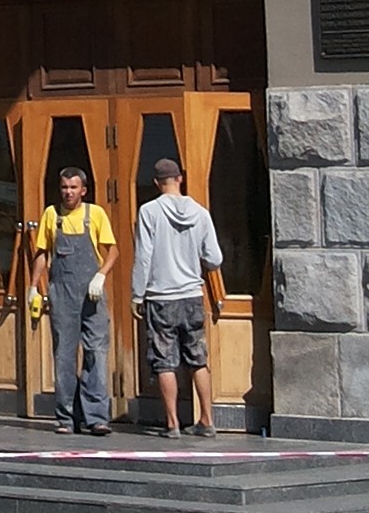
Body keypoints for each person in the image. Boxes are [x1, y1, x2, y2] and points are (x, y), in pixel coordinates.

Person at [132, 158, 224, 437]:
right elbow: (214, 258)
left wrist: (137, 294)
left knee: (164, 360)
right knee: (198, 358)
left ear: (157, 183)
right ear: (180, 178)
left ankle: (172, 423)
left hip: (161, 296)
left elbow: (143, 256)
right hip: (192, 295)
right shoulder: (200, 212)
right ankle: (206, 420)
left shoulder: (149, 211)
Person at [29, 166, 114, 434]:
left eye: (73, 187)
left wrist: (100, 276)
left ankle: (97, 417)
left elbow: (113, 250)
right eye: (64, 187)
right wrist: (34, 287)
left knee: (95, 354)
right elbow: (42, 253)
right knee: (64, 356)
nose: (68, 192)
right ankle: (66, 417)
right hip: (62, 293)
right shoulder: (51, 216)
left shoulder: (95, 214)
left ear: (83, 190)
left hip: (92, 294)